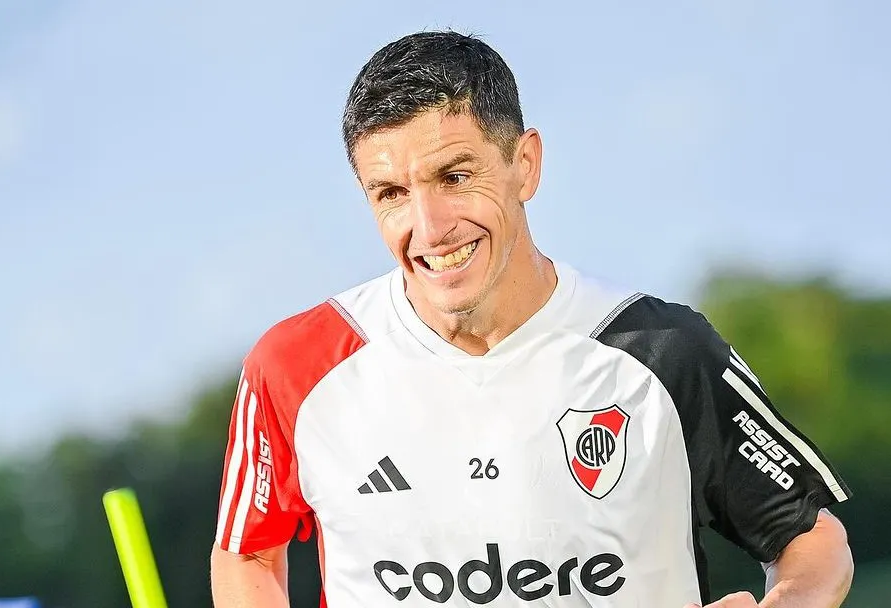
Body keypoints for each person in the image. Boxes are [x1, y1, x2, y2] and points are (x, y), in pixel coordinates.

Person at [210, 30, 854, 607]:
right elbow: (246, 552)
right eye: (393, 194)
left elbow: (811, 543)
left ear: (524, 165)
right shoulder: (297, 365)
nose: (429, 228)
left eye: (455, 177)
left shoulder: (660, 350)